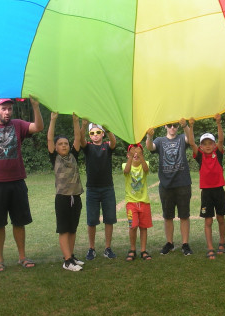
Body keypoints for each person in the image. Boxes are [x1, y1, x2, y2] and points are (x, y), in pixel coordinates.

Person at [0, 97, 43, 272]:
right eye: (3, 108)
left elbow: (39, 127)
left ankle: (22, 257)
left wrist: (35, 106)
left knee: (19, 221)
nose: (7, 112)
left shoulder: (18, 124)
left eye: (9, 109)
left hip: (17, 180)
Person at [146, 120, 193, 256]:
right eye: (170, 125)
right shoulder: (160, 140)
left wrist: (185, 125)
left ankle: (185, 244)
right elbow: (150, 147)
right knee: (168, 216)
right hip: (166, 185)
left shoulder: (181, 138)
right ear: (165, 126)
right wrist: (149, 136)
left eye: (175, 125)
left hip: (183, 183)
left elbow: (190, 139)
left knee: (184, 215)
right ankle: (170, 243)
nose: (173, 128)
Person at [187, 115, 225, 260]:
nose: (208, 145)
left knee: (220, 218)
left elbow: (221, 140)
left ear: (214, 144)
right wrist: (191, 126)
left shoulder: (218, 154)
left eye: (211, 142)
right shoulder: (200, 156)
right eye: (205, 143)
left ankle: (222, 242)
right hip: (206, 193)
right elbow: (191, 142)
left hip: (219, 191)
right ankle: (210, 247)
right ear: (201, 147)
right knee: (208, 220)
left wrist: (218, 123)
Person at [48, 112, 84, 272]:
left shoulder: (73, 155)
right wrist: (53, 120)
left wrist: (75, 121)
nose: (64, 145)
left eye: (66, 143)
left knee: (73, 228)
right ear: (55, 147)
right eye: (60, 144)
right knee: (63, 229)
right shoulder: (54, 157)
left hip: (76, 197)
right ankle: (67, 261)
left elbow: (77, 137)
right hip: (62, 198)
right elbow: (49, 138)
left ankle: (71, 255)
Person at [79, 120, 118, 260]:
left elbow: (114, 142)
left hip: (108, 188)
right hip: (92, 190)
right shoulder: (87, 147)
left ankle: (108, 248)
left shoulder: (107, 146)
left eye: (98, 132)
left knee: (109, 219)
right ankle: (91, 248)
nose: (95, 135)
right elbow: (80, 139)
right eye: (92, 133)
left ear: (102, 134)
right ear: (90, 135)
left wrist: (108, 129)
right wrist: (83, 126)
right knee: (91, 220)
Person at [122, 143, 152, 261]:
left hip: (144, 202)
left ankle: (143, 250)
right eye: (132, 152)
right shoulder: (126, 164)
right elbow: (126, 171)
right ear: (128, 155)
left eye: (138, 152)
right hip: (131, 202)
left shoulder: (145, 164)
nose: (136, 154)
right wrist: (131, 157)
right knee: (133, 226)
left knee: (143, 227)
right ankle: (132, 249)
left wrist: (141, 156)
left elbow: (146, 169)